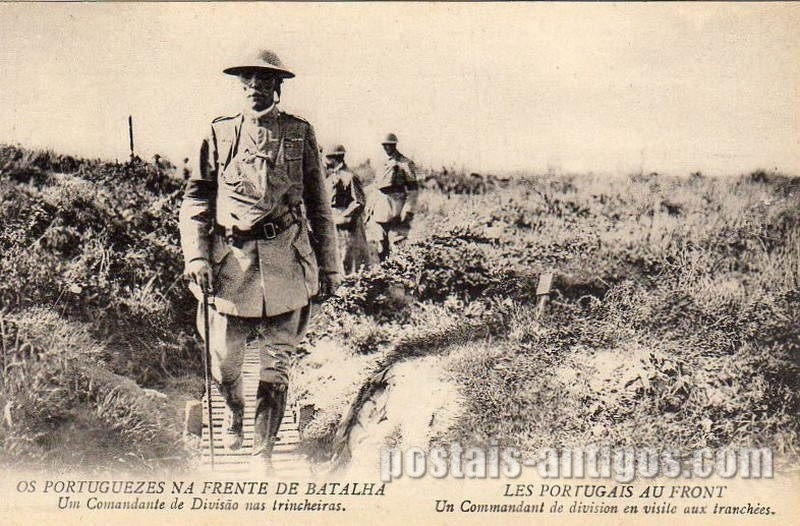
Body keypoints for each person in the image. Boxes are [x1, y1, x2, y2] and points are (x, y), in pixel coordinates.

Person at [178, 49, 340, 472]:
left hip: (287, 262)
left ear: (277, 87)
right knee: (224, 362)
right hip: (232, 265)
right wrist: (196, 255)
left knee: (276, 365)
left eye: (264, 81)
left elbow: (320, 207)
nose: (255, 88)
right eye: (247, 80)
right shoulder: (219, 134)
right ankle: (233, 415)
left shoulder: (299, 132)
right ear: (240, 85)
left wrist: (330, 267)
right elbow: (197, 199)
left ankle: (261, 455)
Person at [365, 133, 419, 260]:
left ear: (394, 145)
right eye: (384, 145)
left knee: (398, 244)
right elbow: (377, 186)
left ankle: (400, 273)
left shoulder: (405, 163)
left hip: (397, 207)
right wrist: (370, 205)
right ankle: (384, 273)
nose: (386, 148)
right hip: (381, 207)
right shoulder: (381, 163)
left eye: (389, 145)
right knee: (379, 244)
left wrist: (408, 209)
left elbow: (413, 189)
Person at [324, 145, 369, 274]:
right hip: (333, 219)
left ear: (334, 158)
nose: (325, 161)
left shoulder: (349, 176)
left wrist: (343, 216)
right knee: (336, 255)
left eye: (327, 158)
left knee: (348, 256)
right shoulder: (331, 176)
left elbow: (359, 202)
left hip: (347, 223)